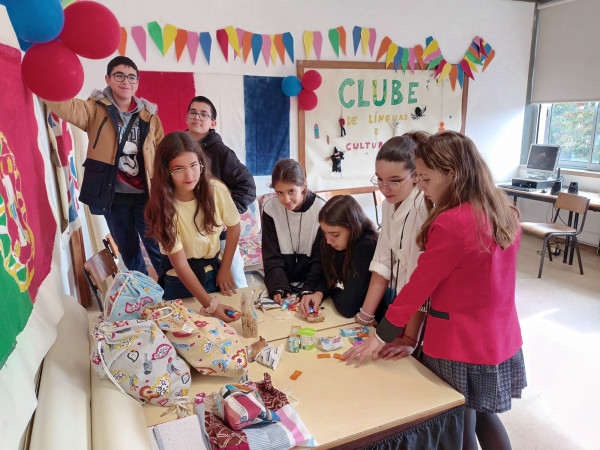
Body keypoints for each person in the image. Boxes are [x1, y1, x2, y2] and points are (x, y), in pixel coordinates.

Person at [343, 131, 526, 450]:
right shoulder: (502, 210)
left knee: (458, 424)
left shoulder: (452, 222)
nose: (422, 186)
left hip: (460, 343)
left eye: (425, 179)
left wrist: (381, 335)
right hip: (499, 336)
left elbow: (418, 286)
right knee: (483, 415)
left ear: (451, 174)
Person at [44, 56, 163, 275]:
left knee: (158, 248)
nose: (126, 81)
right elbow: (65, 106)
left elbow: (162, 152)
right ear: (108, 79)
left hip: (146, 196)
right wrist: (45, 80)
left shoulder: (150, 116)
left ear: (137, 83)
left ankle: (171, 290)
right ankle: (145, 293)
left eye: (131, 77)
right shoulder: (95, 109)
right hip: (113, 197)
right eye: (119, 75)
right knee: (129, 252)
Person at [145, 132, 241, 323]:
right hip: (180, 281)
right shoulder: (164, 207)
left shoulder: (216, 189)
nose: (189, 175)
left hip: (213, 271)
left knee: (223, 331)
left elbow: (235, 227)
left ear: (201, 163)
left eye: (193, 165)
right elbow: (180, 265)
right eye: (178, 169)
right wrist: (211, 305)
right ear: (166, 172)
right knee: (188, 332)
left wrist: (225, 267)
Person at [356, 133, 431, 360]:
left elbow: (418, 282)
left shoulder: (423, 207)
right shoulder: (390, 203)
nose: (385, 188)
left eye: (395, 180)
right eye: (379, 179)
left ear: (416, 175)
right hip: (401, 305)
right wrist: (364, 317)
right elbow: (382, 261)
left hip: (420, 312)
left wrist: (410, 338)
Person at [185, 96, 256, 288]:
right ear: (186, 117)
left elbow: (248, 187)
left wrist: (226, 215)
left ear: (212, 123)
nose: (197, 117)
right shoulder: (178, 148)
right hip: (188, 231)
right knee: (196, 286)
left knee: (235, 282)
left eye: (204, 114)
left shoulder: (221, 152)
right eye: (193, 112)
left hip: (218, 233)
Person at [298, 195, 378, 318]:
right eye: (325, 233)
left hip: (376, 316)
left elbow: (348, 308)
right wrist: (319, 293)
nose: (328, 240)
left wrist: (332, 289)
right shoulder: (332, 236)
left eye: (335, 235)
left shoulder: (366, 245)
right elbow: (326, 272)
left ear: (353, 227)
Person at [261, 159, 326, 304]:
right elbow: (271, 255)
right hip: (283, 281)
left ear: (303, 185)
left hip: (314, 282)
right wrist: (278, 286)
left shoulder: (321, 209)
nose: (286, 199)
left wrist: (308, 289)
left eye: (291, 191)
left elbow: (320, 260)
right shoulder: (270, 208)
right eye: (279, 192)